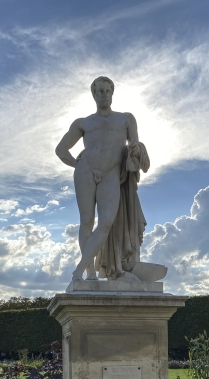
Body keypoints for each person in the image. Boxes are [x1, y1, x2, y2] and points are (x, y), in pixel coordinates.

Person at [55, 76, 149, 281]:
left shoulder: (126, 118)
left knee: (106, 221)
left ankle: (79, 268)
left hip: (111, 174)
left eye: (107, 91)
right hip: (86, 170)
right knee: (86, 221)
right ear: (93, 94)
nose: (103, 95)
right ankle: (89, 273)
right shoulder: (84, 123)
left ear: (112, 93)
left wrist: (135, 147)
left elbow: (135, 143)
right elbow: (61, 149)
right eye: (99, 91)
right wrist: (76, 164)